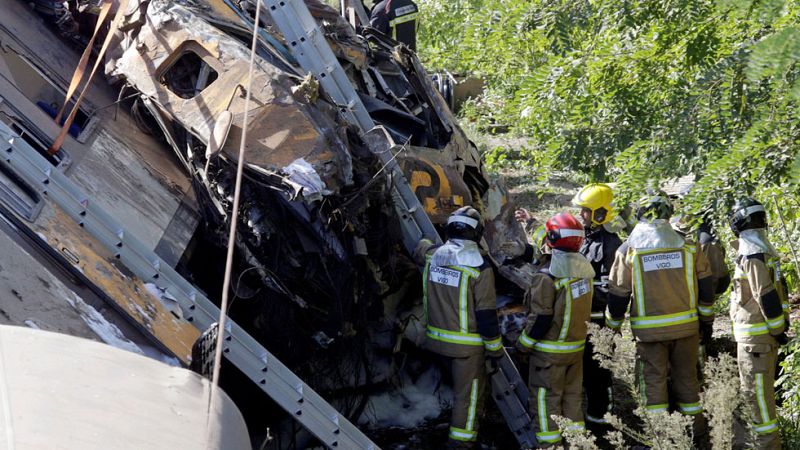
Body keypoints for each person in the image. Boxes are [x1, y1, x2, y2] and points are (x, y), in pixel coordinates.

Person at [605, 192, 714, 445]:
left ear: (640, 213)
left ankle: (660, 438)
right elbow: (706, 287)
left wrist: (611, 329)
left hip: (649, 335)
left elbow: (618, 294)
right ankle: (696, 436)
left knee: (652, 385)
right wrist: (706, 322)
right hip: (687, 329)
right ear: (668, 213)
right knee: (688, 381)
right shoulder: (689, 246)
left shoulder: (629, 250)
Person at [415, 206, 502, 449]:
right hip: (466, 349)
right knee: (468, 397)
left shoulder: (433, 256)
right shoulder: (480, 269)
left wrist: (424, 239)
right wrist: (495, 350)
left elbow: (421, 248)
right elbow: (486, 316)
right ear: (476, 234)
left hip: (435, 340)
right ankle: (461, 443)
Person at [516, 212, 595, 446]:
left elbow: (541, 318)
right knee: (572, 399)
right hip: (575, 350)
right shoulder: (584, 271)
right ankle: (578, 443)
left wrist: (522, 345)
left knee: (545, 402)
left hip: (550, 354)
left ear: (551, 239)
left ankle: (550, 445)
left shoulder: (547, 277)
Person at [729, 198, 790, 449]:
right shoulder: (762, 249)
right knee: (756, 400)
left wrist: (776, 329)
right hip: (761, 340)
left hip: (756, 343)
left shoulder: (752, 253)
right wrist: (779, 330)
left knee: (759, 405)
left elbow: (764, 294)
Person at [570, 183, 623, 431]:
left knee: (598, 376)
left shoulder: (612, 245)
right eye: (581, 210)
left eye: (586, 211)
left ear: (601, 214)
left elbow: (611, 289)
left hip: (599, 323)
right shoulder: (583, 238)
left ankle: (602, 425)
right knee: (579, 374)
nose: (582, 215)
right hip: (579, 320)